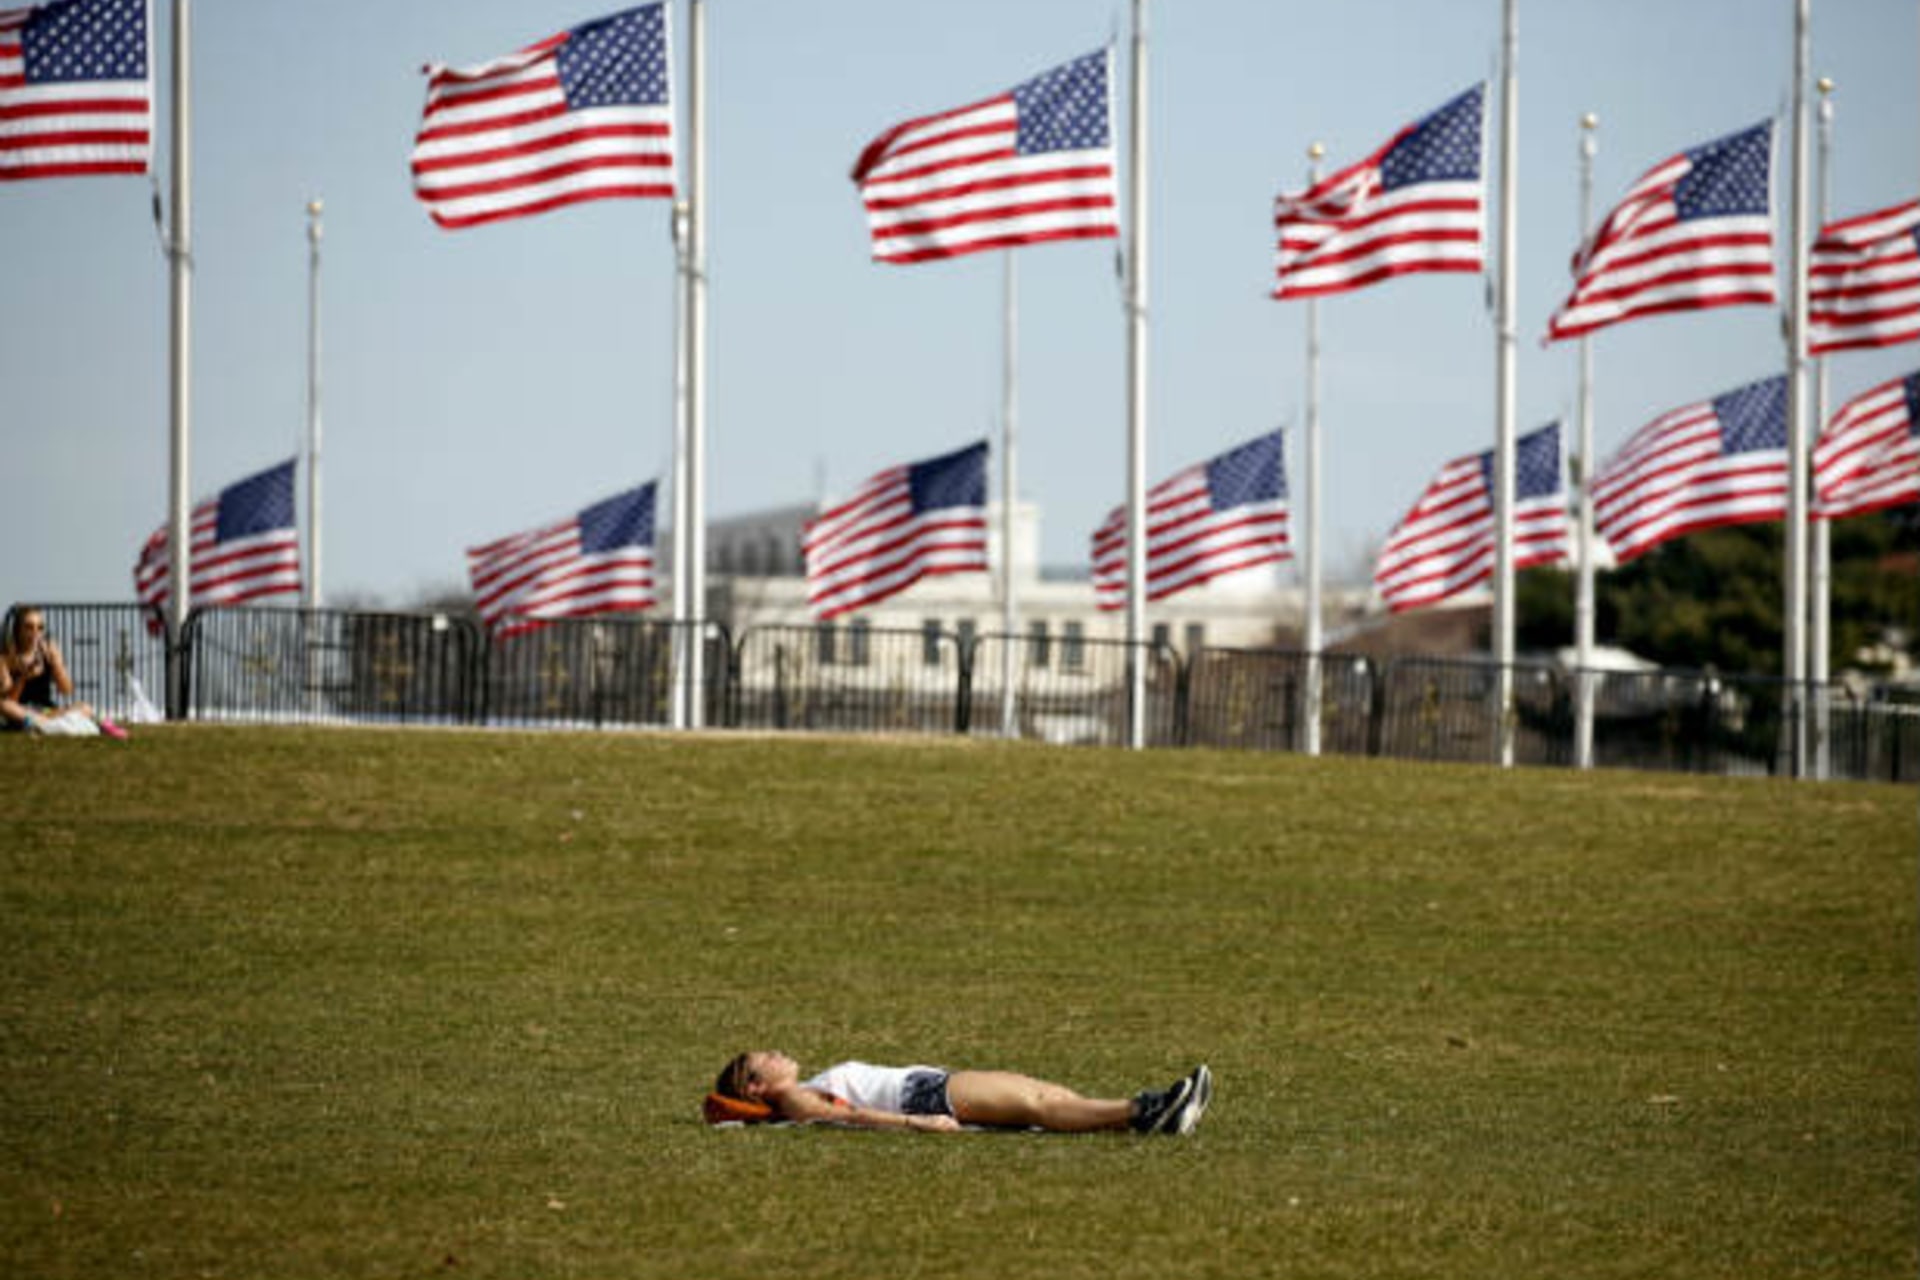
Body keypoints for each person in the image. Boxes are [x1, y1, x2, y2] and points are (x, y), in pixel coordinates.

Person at [709, 1051, 1211, 1135]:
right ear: (756, 1086)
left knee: (1047, 1095)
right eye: (764, 1059)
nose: (776, 1052)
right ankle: (1147, 1110)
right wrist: (917, 1122)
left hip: (928, 1089)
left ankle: (1154, 1114)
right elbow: (852, 1115)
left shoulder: (799, 1091)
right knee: (1038, 1103)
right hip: (923, 1098)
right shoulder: (793, 1100)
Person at [2, 607, 127, 739]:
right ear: (18, 630)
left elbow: (66, 689)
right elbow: (10, 700)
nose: (35, 633)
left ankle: (43, 725)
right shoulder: (6, 658)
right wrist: (23, 678)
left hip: (47, 711)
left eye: (40, 627)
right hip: (22, 711)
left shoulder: (48, 651)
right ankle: (51, 725)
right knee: (4, 705)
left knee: (85, 707)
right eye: (29, 627)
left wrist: (56, 664)